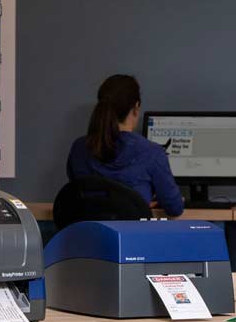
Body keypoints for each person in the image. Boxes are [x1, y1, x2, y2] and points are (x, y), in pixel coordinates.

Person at [66, 75, 184, 216]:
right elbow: (175, 209)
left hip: (88, 236)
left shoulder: (79, 148)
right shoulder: (152, 153)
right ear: (136, 107)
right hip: (133, 237)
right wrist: (141, 200)